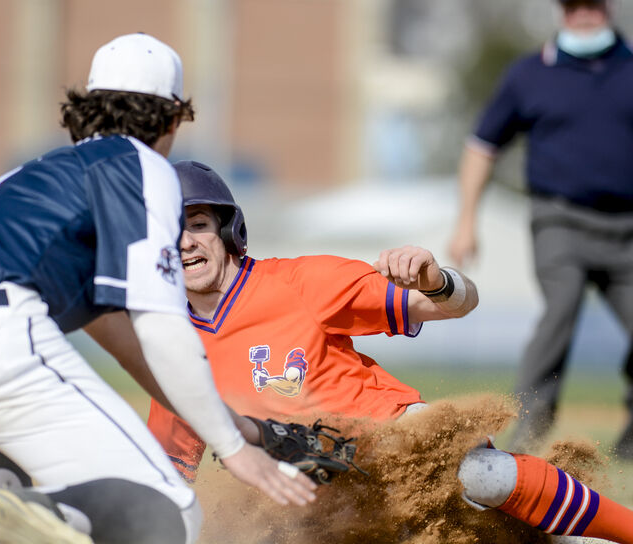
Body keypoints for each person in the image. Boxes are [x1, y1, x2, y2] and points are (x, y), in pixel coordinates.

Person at [0, 34, 315, 544]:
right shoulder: (141, 168)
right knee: (166, 512)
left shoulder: (36, 179)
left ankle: (24, 503)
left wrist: (237, 426)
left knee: (89, 493)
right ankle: (39, 510)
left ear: (87, 108)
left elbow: (124, 342)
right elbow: (162, 331)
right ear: (171, 118)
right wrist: (236, 452)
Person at [147, 160, 633, 543]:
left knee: (485, 476)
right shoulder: (172, 350)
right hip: (317, 491)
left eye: (199, 223)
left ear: (230, 232)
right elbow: (169, 480)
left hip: (398, 439)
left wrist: (437, 279)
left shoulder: (300, 283)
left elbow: (455, 306)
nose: (187, 242)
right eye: (173, 230)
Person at [447, 0, 633, 455]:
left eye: (592, 5)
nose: (583, 15)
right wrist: (466, 220)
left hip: (628, 229)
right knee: (560, 311)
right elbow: (482, 147)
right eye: (574, 6)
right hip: (560, 222)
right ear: (560, 12)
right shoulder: (529, 74)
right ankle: (530, 432)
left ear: (607, 9)